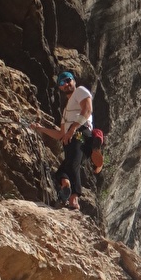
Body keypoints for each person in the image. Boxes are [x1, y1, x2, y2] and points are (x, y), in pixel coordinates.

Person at [31, 70, 92, 211]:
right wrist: (40, 129)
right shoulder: (66, 111)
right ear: (59, 87)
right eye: (62, 82)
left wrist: (72, 129)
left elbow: (87, 109)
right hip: (72, 137)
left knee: (72, 165)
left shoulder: (80, 91)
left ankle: (74, 200)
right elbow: (60, 134)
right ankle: (67, 186)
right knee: (61, 173)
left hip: (80, 132)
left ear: (74, 81)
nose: (66, 84)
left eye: (68, 80)